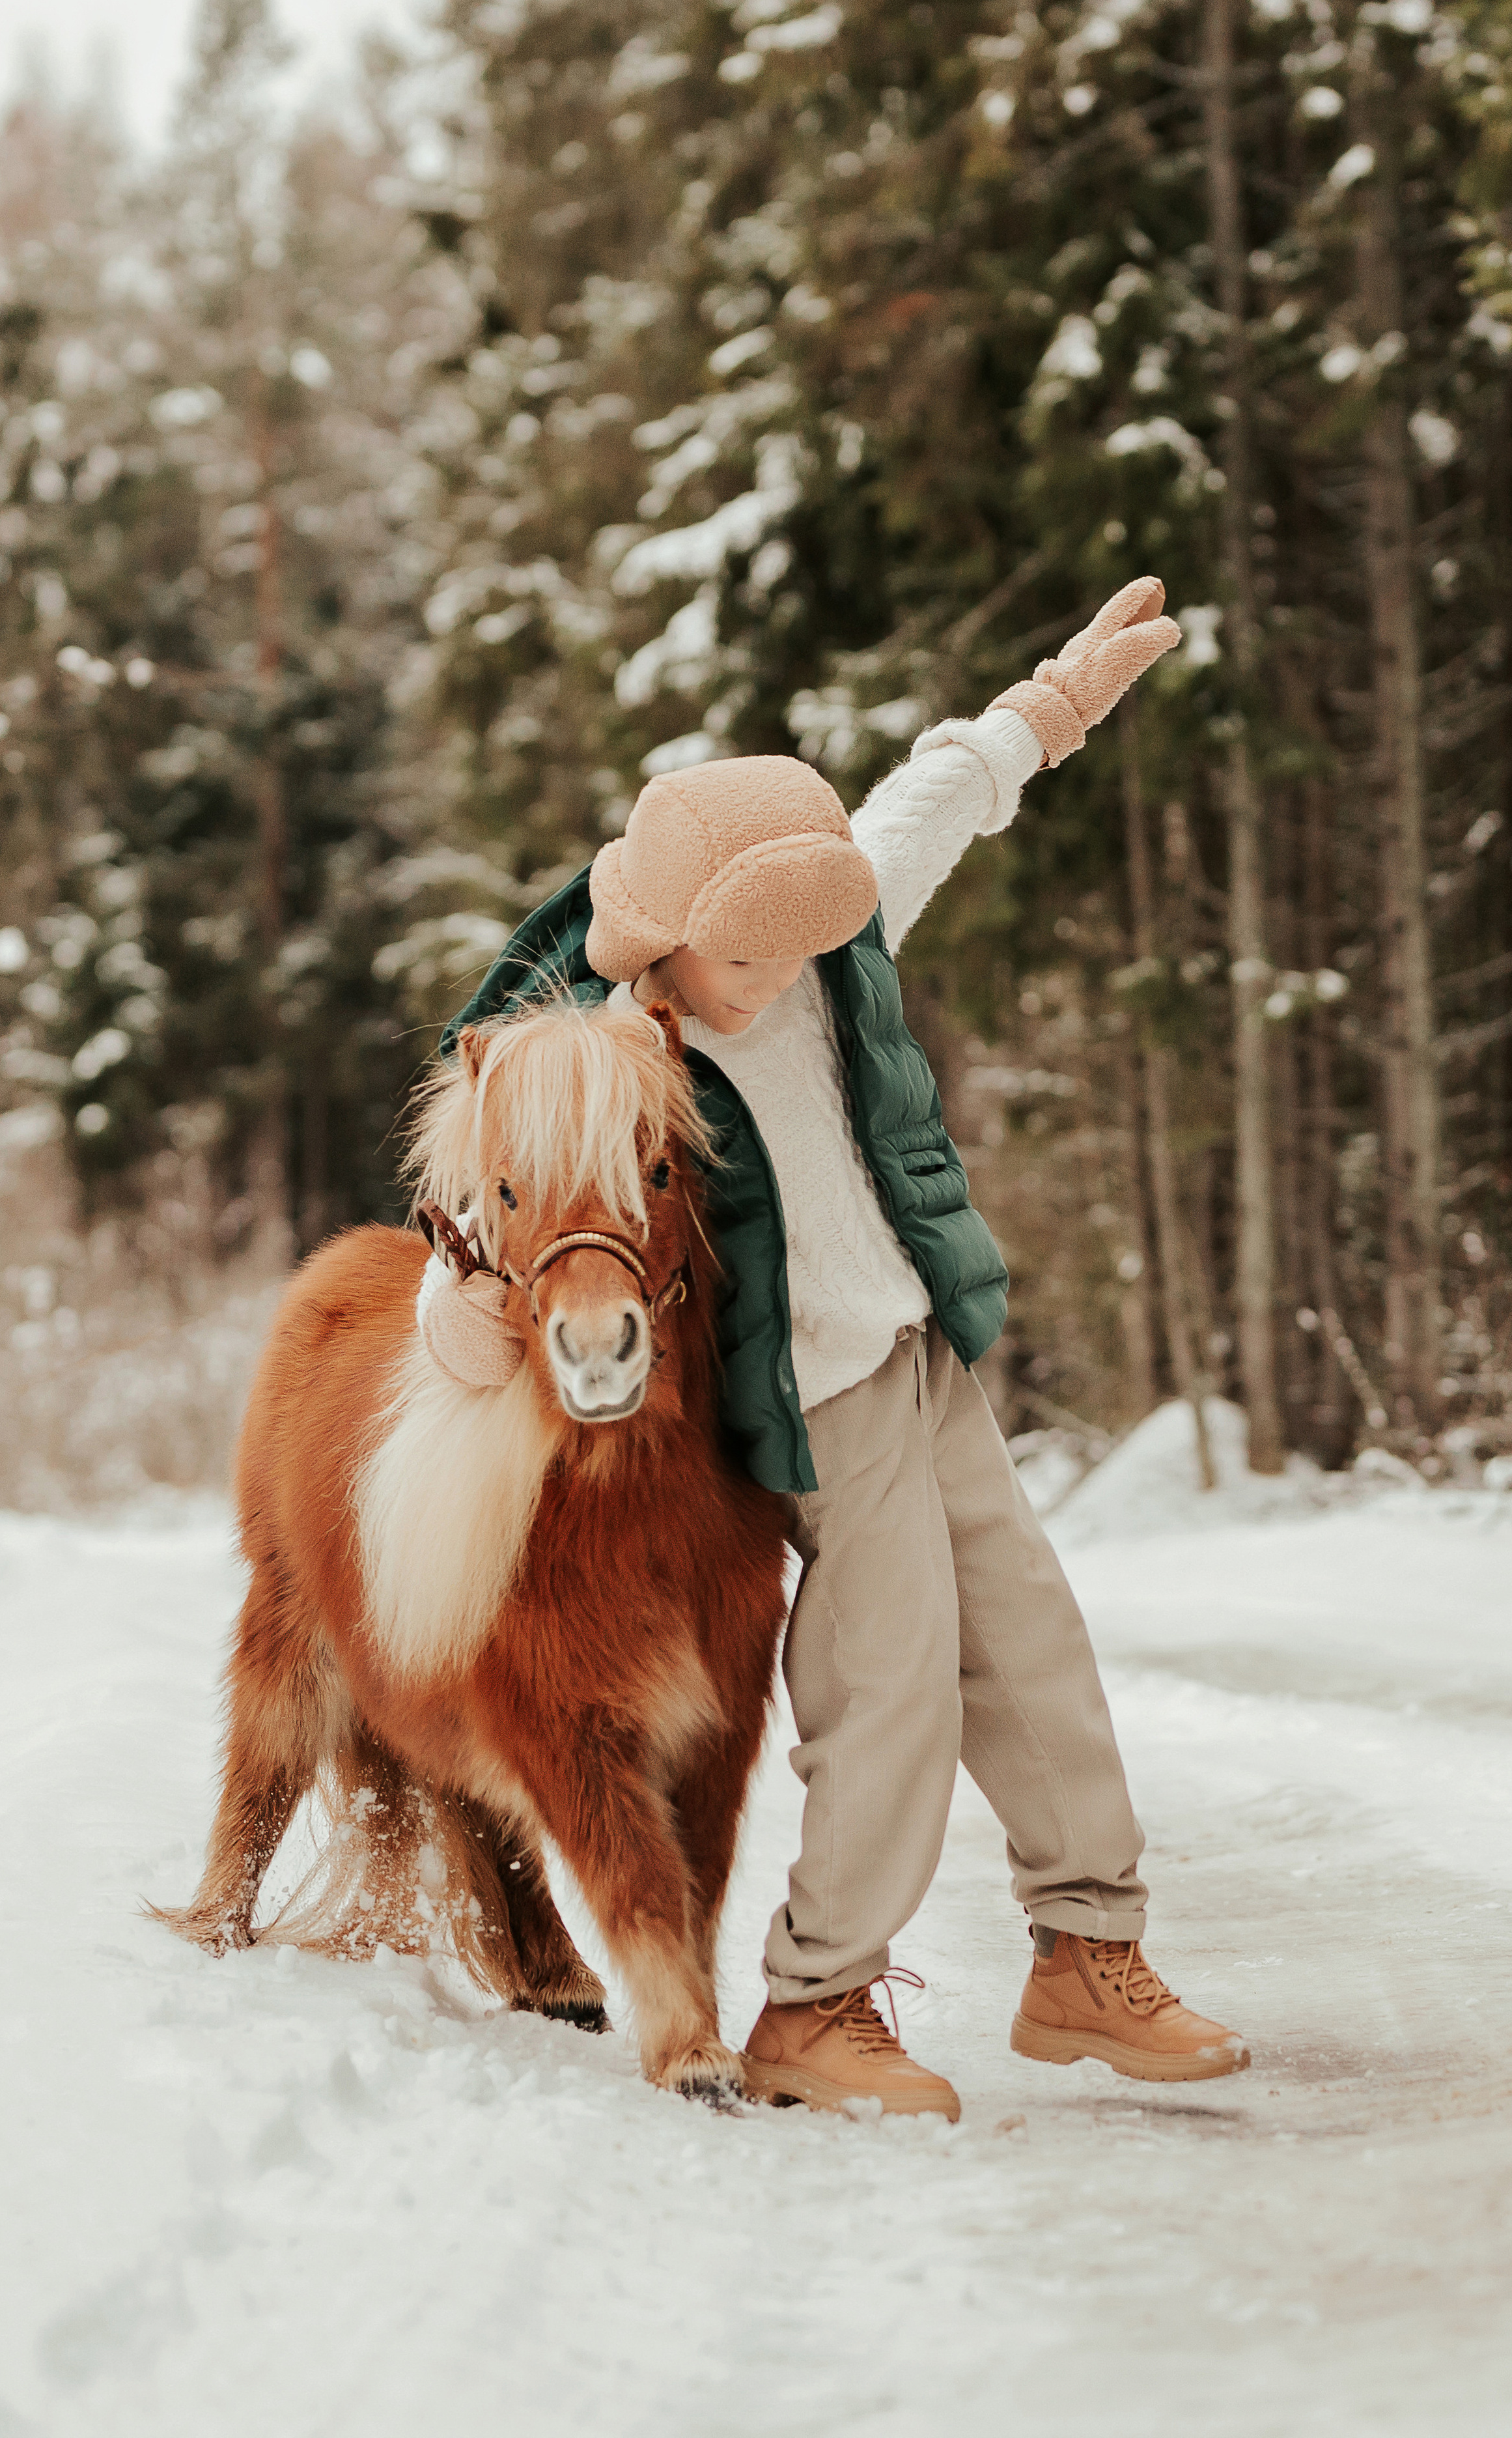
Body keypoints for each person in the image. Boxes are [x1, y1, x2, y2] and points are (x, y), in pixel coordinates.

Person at [423, 577, 1249, 2118]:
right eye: (746, 963)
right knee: (890, 1678)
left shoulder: (810, 930)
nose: (780, 981)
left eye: (805, 949)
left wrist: (1051, 706)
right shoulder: (599, 1047)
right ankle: (816, 2003)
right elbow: (489, 1209)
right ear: (667, 940)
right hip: (801, 1394)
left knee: (1029, 1639)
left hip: (915, 1349)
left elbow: (933, 799)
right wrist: (455, 1311)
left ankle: (1086, 1950)